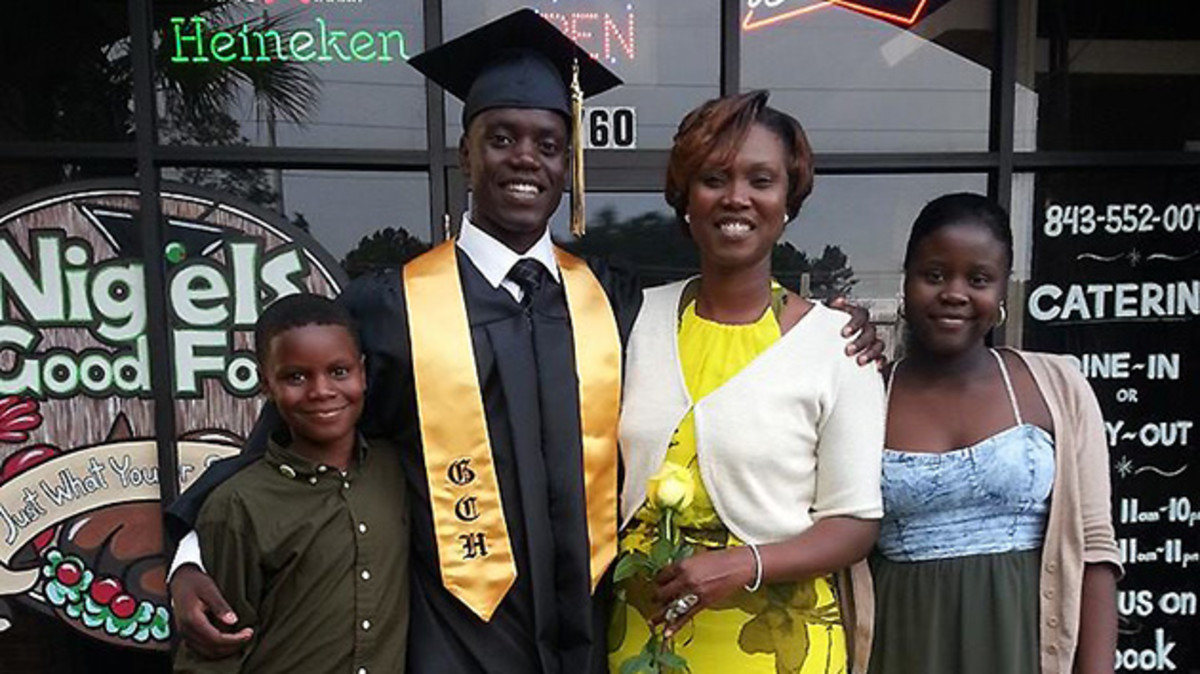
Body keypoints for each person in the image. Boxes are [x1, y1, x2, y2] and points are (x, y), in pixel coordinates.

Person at [166, 11, 881, 674]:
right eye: (501, 137)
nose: (523, 159)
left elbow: (729, 320)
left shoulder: (611, 295)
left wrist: (841, 327)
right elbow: (286, 444)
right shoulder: (390, 306)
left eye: (546, 143)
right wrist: (190, 559)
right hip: (455, 633)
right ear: (466, 150)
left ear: (567, 159)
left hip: (598, 625)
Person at [611, 91, 886, 674]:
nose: (737, 197)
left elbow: (855, 523)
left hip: (776, 643)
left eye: (761, 180)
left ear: (788, 201)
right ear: (686, 198)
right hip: (642, 637)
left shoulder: (836, 345)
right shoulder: (634, 321)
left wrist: (743, 564)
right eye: (714, 177)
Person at [862, 193, 1120, 674]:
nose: (954, 293)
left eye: (978, 279)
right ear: (906, 281)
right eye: (934, 275)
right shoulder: (866, 394)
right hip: (900, 643)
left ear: (1003, 290)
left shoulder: (1056, 385)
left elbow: (1095, 549)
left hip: (1022, 641)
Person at [173, 294, 409, 674]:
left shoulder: (396, 469)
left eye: (339, 372)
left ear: (363, 374)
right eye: (295, 377)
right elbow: (211, 655)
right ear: (266, 384)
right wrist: (183, 572)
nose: (321, 391)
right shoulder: (238, 505)